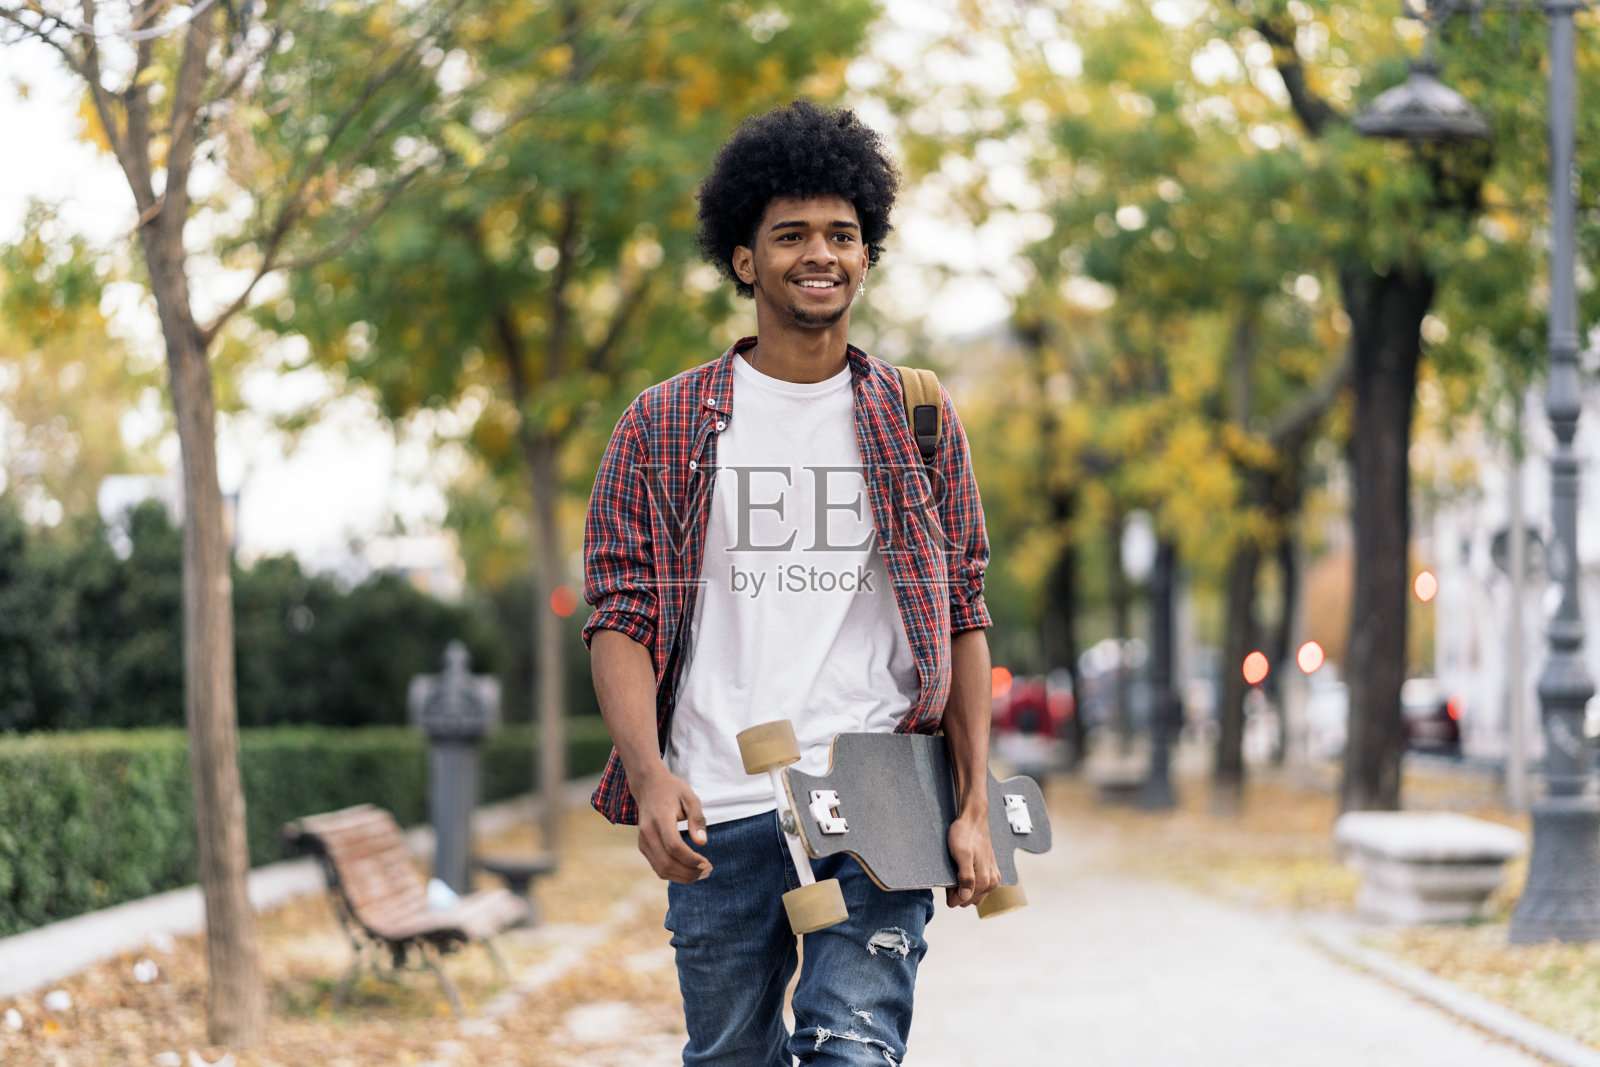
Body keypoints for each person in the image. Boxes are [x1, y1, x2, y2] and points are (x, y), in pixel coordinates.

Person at [582, 99, 998, 1066]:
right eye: (793, 234)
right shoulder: (664, 425)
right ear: (744, 258)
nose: (822, 253)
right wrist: (648, 776)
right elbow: (622, 616)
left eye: (843, 235)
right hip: (718, 805)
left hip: (877, 794)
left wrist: (973, 804)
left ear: (867, 253)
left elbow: (964, 610)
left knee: (852, 1048)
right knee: (729, 1054)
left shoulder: (919, 417)